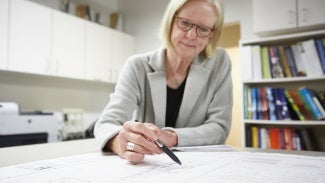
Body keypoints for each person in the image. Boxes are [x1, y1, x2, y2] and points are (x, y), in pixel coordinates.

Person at [94, 0, 232, 163]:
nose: (191, 35)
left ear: (211, 35)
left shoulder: (219, 62)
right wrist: (119, 142)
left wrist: (172, 137)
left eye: (202, 29)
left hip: (199, 166)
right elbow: (106, 123)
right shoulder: (137, 66)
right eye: (185, 23)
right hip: (148, 166)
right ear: (170, 22)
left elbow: (219, 128)